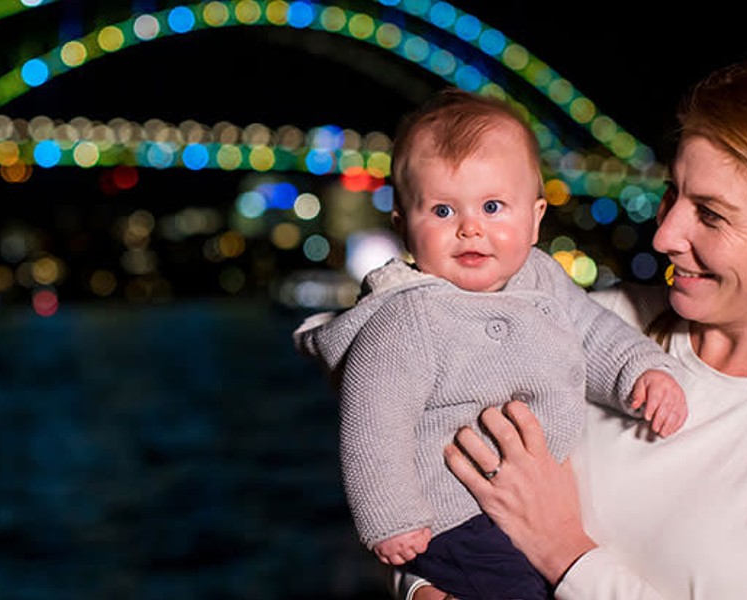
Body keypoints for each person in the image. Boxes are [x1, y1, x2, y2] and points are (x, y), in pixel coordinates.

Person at [399, 58, 747, 599]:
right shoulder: (595, 324)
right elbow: (431, 458)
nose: (664, 236)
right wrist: (418, 586)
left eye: (710, 214)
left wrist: (566, 554)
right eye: (671, 195)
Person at [294, 89, 687, 600]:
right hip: (458, 516)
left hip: (528, 510)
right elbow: (373, 420)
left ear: (536, 217)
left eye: (494, 206)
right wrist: (391, 518)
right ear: (402, 227)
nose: (470, 228)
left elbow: (593, 332)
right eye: (441, 211)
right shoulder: (408, 317)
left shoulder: (541, 277)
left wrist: (641, 372)